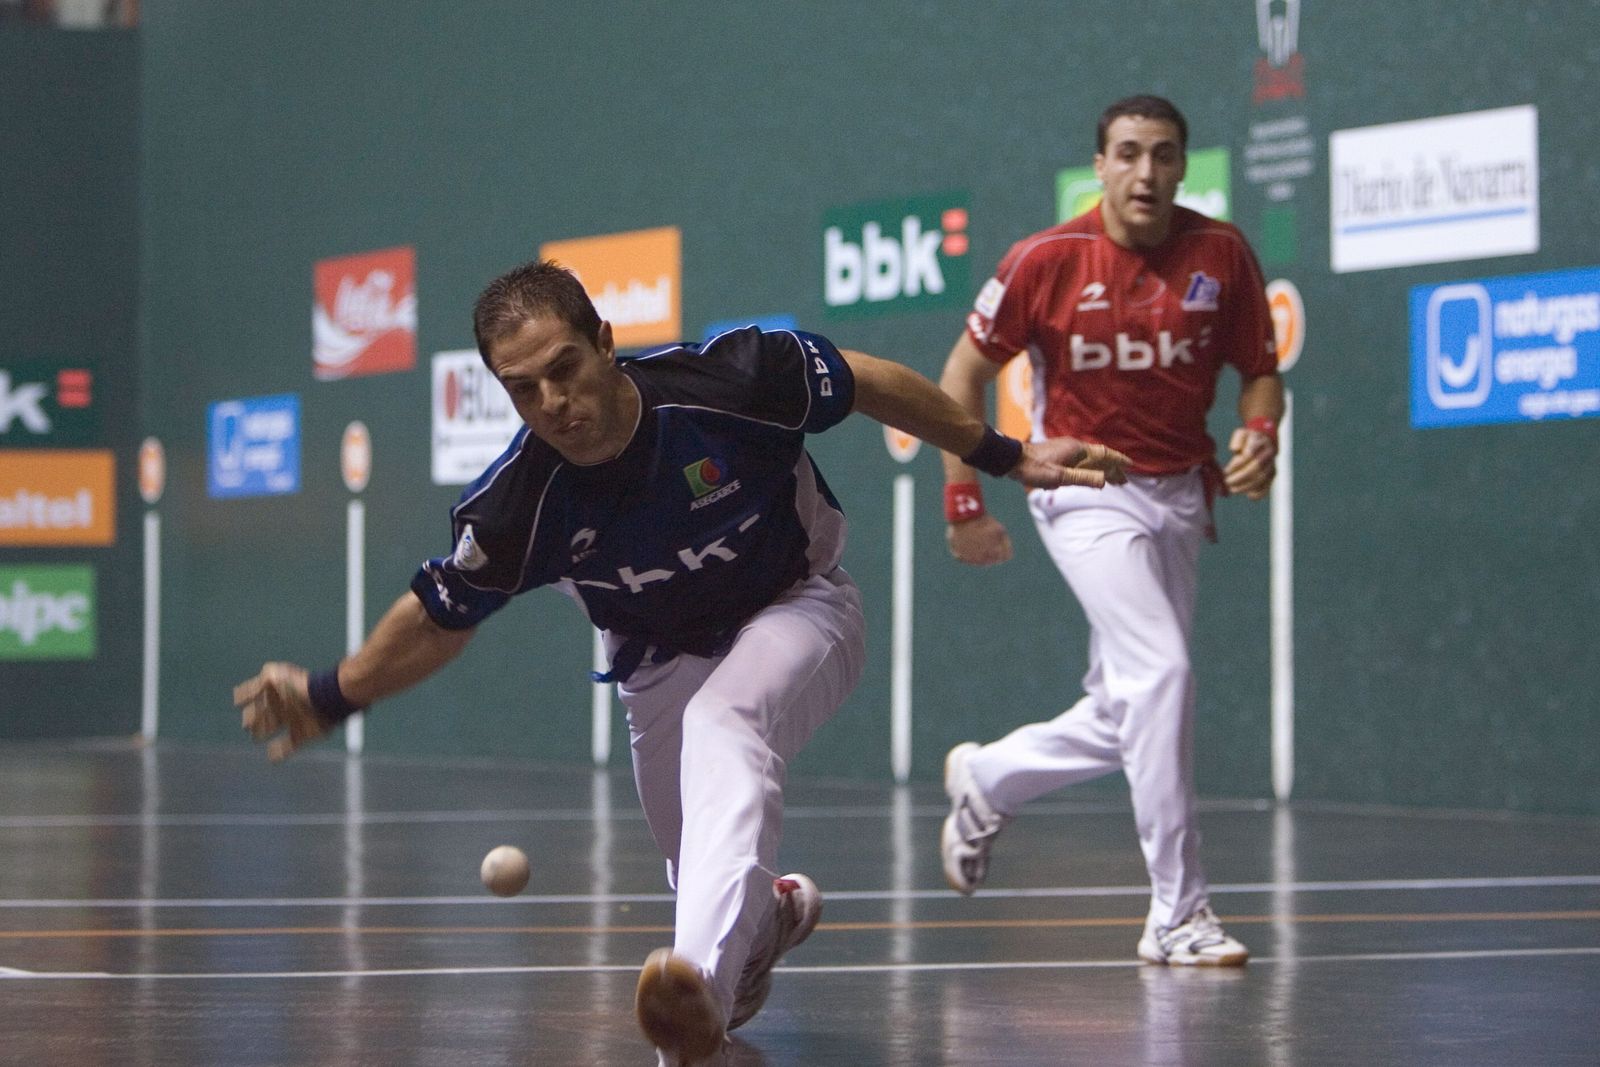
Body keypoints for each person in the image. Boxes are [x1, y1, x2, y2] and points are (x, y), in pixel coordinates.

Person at [234, 259, 1129, 1064]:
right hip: (656, 663)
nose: (552, 402)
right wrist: (328, 694)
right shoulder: (518, 505)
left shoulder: (734, 379)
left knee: (725, 723)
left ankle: (695, 990)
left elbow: (868, 383)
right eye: (522, 389)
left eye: (564, 369)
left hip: (801, 608)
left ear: (606, 344)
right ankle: (767, 919)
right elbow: (439, 617)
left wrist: (1005, 456)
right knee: (701, 858)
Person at [936, 94, 1283, 967]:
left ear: (1183, 167)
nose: (1147, 172)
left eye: (1165, 155)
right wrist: (964, 500)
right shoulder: (1046, 260)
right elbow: (962, 374)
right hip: (1083, 487)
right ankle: (1177, 912)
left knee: (1127, 702)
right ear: (1100, 165)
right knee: (1161, 671)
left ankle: (990, 777)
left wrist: (1263, 437)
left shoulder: (1222, 253)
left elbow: (1262, 375)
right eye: (1128, 153)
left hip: (1179, 497)